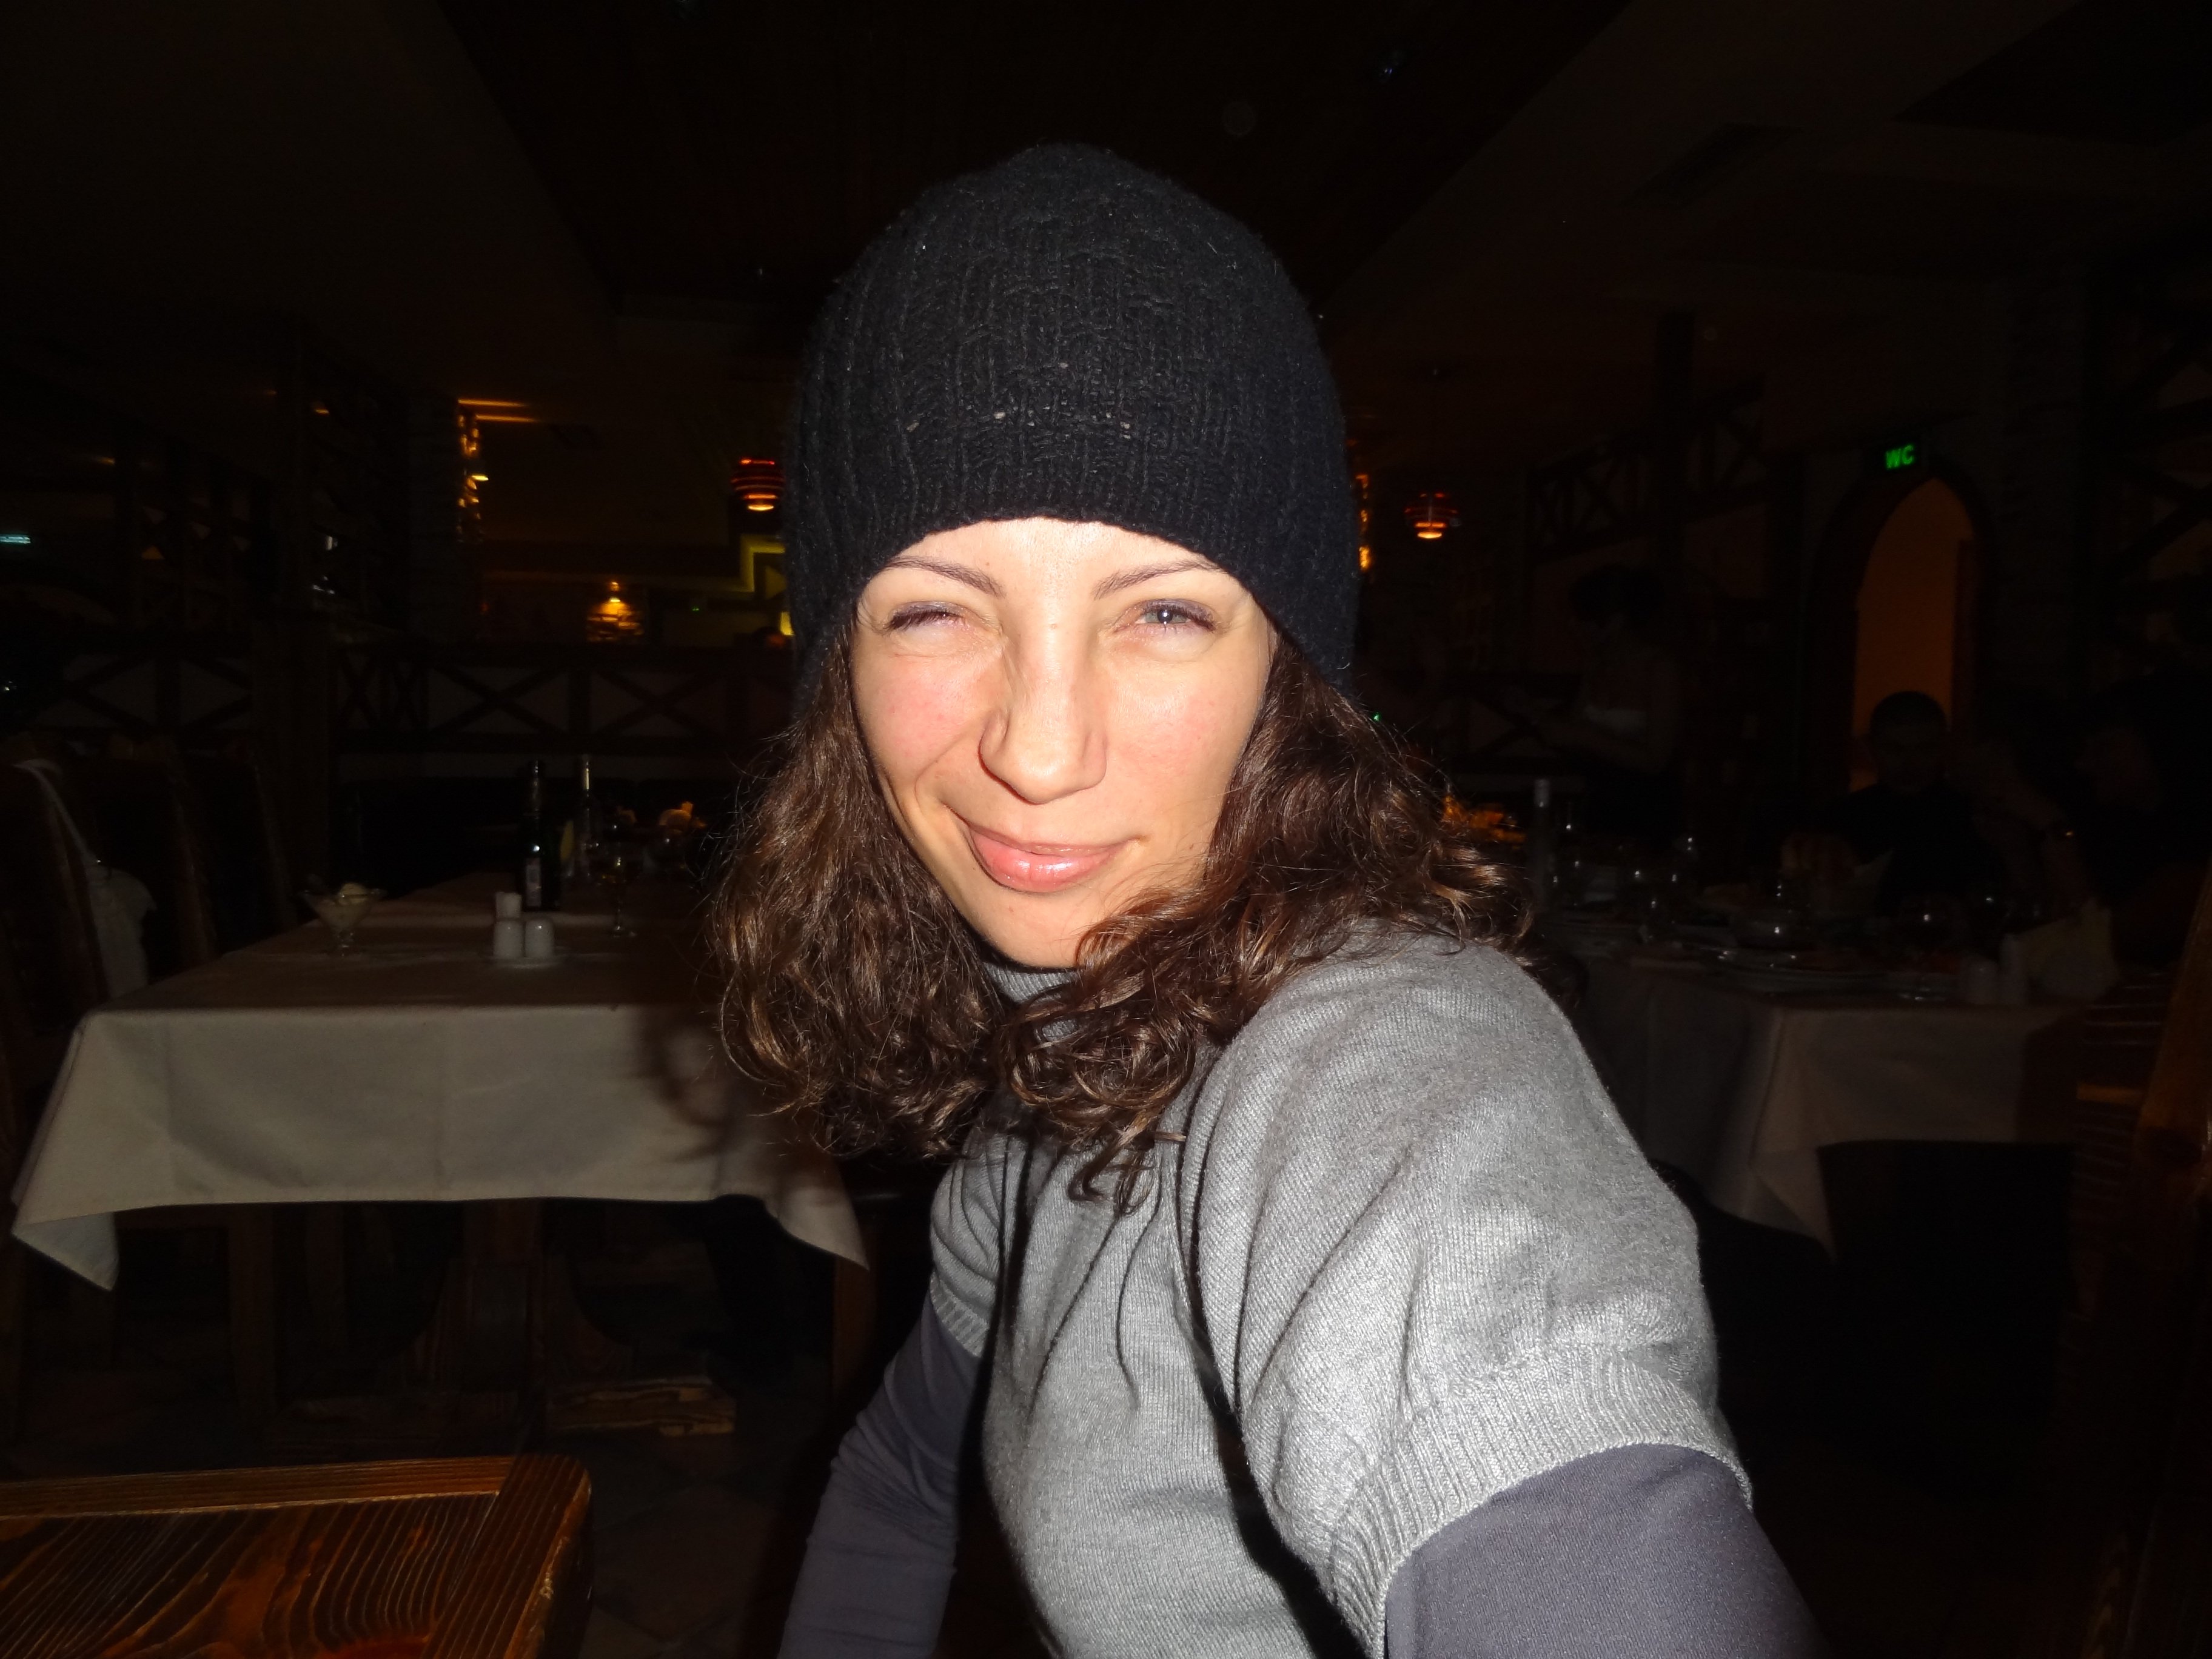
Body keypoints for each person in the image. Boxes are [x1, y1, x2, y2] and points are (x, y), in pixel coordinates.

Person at [717, 146, 1818, 1658]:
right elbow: (907, 1474)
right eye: (932, 608)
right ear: (835, 666)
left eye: (1166, 610)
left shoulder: (1381, 1067)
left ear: (1288, 678)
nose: (1038, 749)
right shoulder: (1065, 1040)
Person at [1512, 565, 1682, 848]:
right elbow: (1575, 735)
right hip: (1597, 801)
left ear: (1614, 622)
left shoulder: (1659, 668)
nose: (1572, 625)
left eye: (1581, 618)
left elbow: (1656, 760)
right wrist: (1532, 712)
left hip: (1646, 808)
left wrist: (1581, 736)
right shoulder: (1596, 663)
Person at [1798, 691, 2004, 912]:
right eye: (1894, 749)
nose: (1910, 763)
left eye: (1925, 749)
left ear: (1944, 745)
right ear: (1872, 747)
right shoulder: (1841, 817)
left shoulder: (1978, 816)